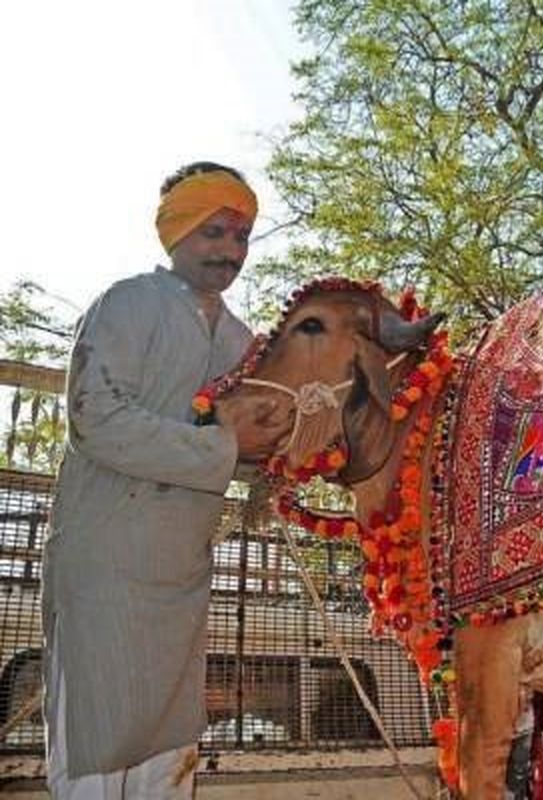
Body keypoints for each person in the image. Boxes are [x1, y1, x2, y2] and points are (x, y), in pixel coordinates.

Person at [41, 162, 292, 798]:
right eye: (214, 233)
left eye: (241, 237)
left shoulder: (239, 340)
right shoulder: (128, 304)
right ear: (175, 232)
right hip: (107, 569)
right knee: (99, 749)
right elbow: (94, 418)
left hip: (180, 575)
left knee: (168, 754)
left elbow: (265, 422)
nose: (230, 251)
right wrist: (227, 447)